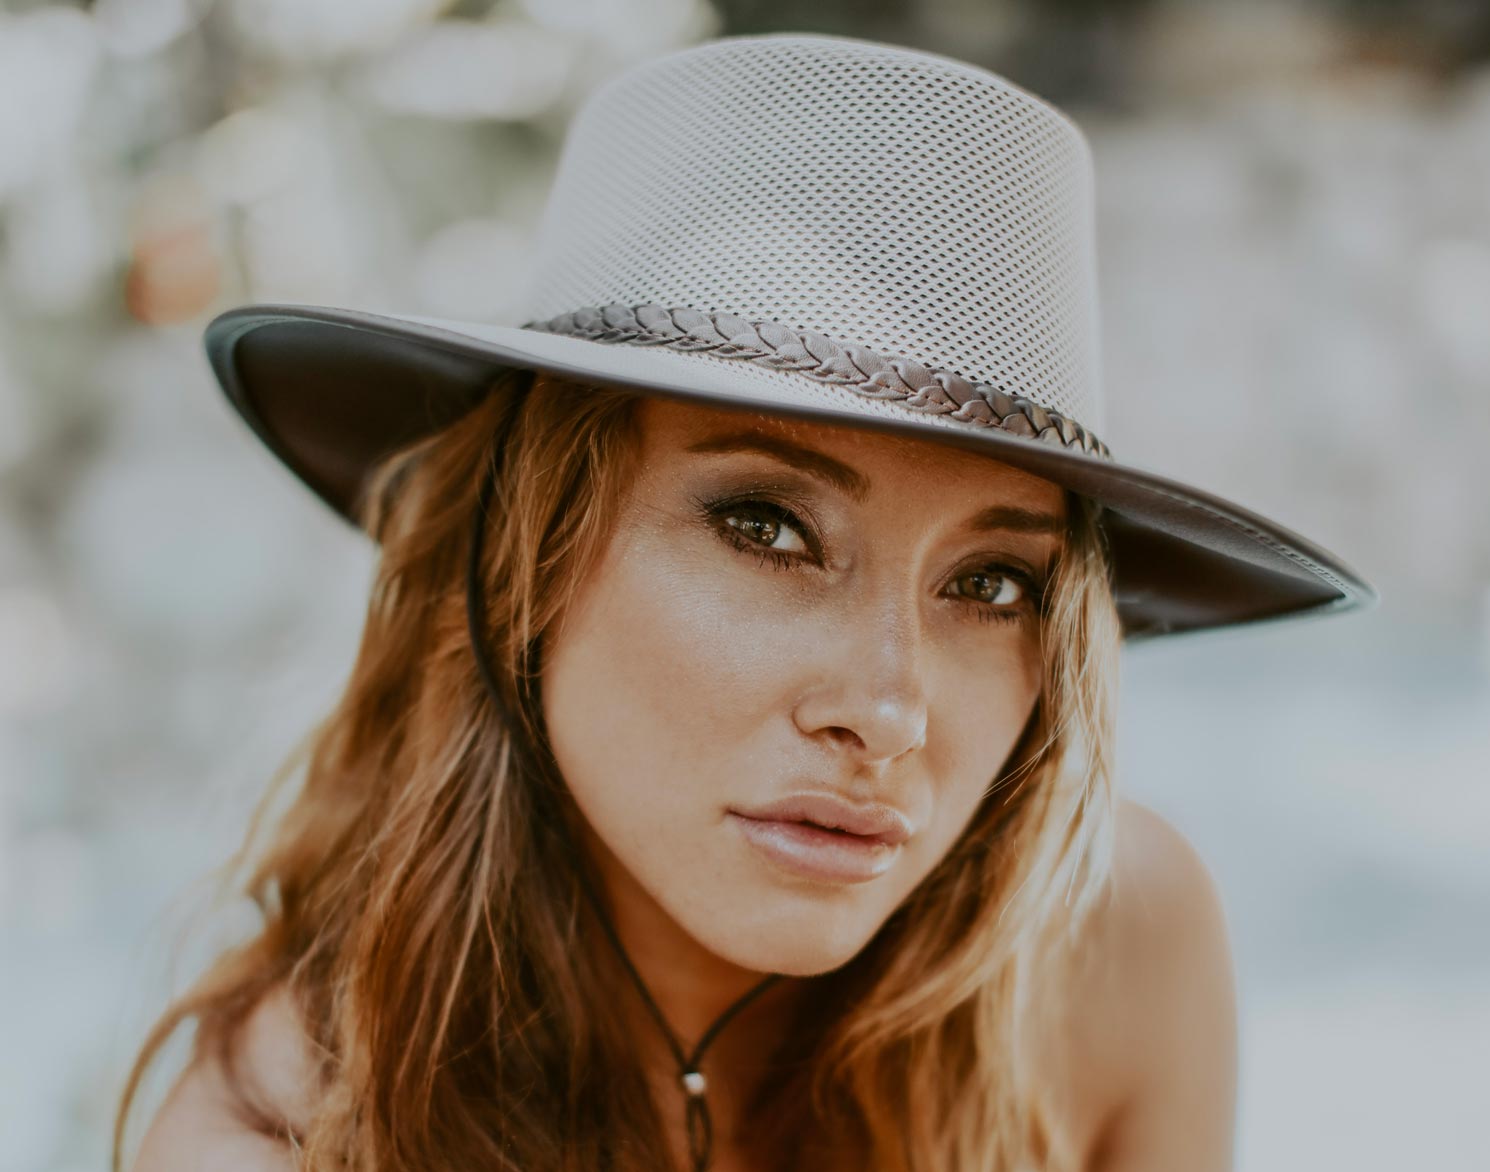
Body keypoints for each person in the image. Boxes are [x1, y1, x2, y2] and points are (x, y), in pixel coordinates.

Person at [115, 32, 1375, 1172]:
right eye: (767, 526)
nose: (886, 710)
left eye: (991, 581)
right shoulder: (290, 1139)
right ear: (524, 556)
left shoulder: (1118, 945)